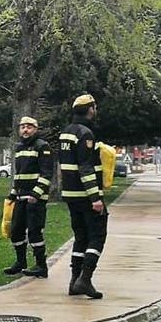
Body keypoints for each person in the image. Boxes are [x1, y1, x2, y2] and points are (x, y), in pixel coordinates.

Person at [59, 94, 106, 299]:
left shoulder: (66, 133)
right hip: (85, 195)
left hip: (70, 194)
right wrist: (95, 197)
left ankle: (74, 281)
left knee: (80, 238)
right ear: (90, 110)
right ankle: (85, 279)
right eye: (94, 108)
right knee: (97, 236)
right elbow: (85, 167)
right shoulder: (85, 133)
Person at [4, 117, 53, 278]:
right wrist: (12, 193)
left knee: (34, 232)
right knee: (16, 231)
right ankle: (21, 262)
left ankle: (41, 265)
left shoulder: (42, 146)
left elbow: (46, 174)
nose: (25, 130)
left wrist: (36, 194)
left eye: (29, 127)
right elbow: (18, 174)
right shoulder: (18, 148)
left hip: (35, 199)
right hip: (20, 197)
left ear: (36, 129)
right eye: (23, 127)